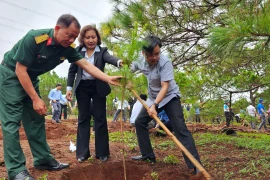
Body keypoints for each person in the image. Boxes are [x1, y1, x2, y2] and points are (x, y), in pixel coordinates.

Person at [0, 14, 121, 180]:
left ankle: (43, 159)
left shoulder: (67, 48)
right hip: (11, 75)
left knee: (36, 119)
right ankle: (15, 171)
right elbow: (20, 70)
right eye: (69, 35)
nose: (71, 40)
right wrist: (36, 98)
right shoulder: (34, 38)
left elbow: (85, 64)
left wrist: (107, 78)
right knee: (12, 122)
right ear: (57, 29)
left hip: (31, 78)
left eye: (74, 37)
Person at [130, 35, 201, 175]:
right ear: (143, 53)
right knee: (139, 122)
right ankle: (148, 155)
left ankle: (195, 165)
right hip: (153, 98)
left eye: (157, 53)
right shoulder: (140, 61)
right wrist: (125, 77)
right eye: (151, 55)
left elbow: (165, 87)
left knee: (180, 128)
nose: (155, 57)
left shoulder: (165, 62)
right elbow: (129, 69)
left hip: (169, 97)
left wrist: (154, 105)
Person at [67, 25, 122, 163]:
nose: (91, 40)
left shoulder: (102, 51)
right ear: (83, 39)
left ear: (97, 38)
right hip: (82, 88)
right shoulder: (77, 51)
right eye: (87, 37)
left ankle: (102, 153)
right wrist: (69, 88)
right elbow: (72, 71)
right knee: (83, 118)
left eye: (93, 37)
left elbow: (110, 58)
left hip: (98, 87)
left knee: (100, 118)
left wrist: (119, 62)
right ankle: (82, 154)